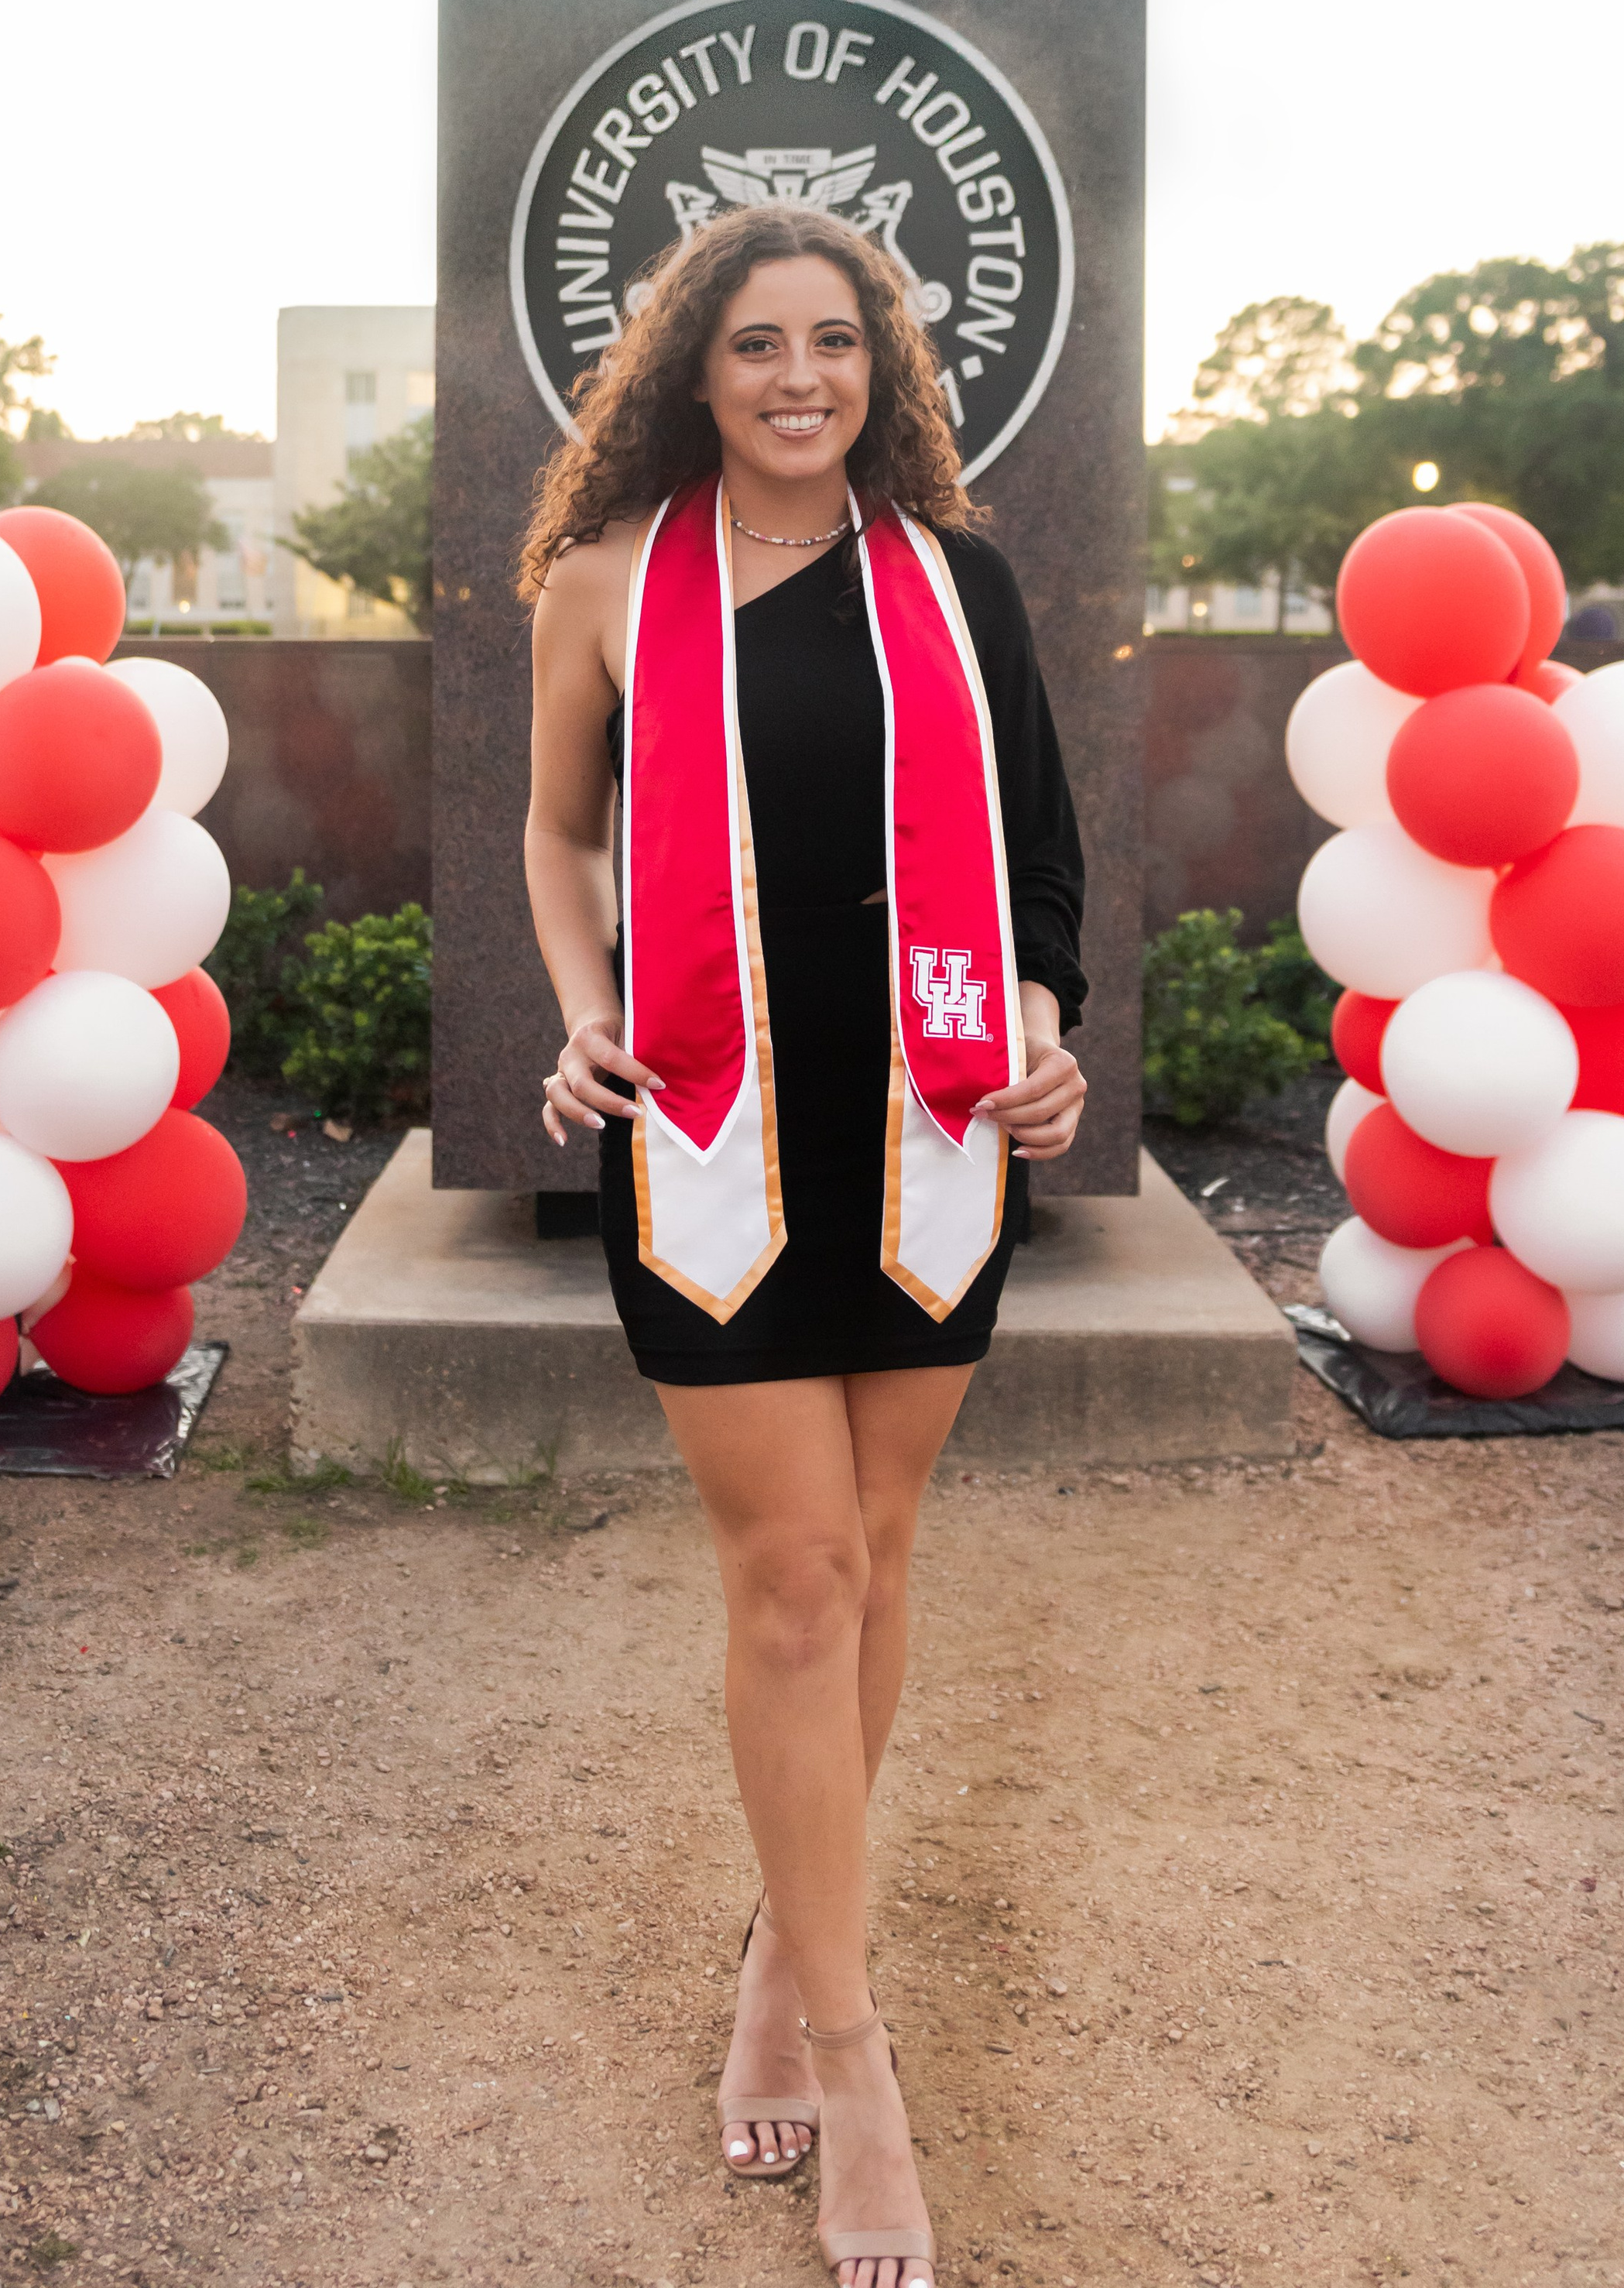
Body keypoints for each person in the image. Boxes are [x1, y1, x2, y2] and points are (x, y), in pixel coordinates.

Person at [522, 203, 1087, 2288]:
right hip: (708, 1122)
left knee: (888, 1545)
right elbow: (553, 831)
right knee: (797, 1576)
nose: (793, 377)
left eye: (831, 342)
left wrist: (1043, 1037)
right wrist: (580, 998)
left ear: (881, 366)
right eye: (753, 342)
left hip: (930, 1125)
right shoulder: (602, 586)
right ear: (695, 368)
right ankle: (853, 2056)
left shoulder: (963, 582)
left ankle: (784, 1933)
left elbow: (1037, 861)